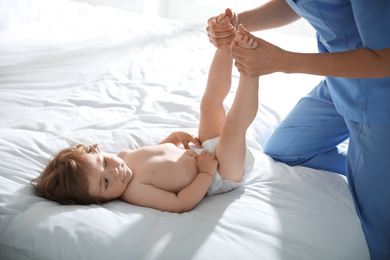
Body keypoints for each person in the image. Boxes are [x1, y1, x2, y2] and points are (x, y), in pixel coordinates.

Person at [206, 2, 390, 259]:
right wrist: (237, 22)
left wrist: (285, 61)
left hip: (380, 95)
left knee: (380, 236)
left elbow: (386, 57)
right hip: (340, 84)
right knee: (284, 149)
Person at [31, 10, 258, 213]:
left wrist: (173, 138)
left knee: (209, 103)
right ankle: (251, 70)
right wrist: (206, 173)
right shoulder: (135, 192)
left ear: (96, 152)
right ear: (99, 200)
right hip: (222, 173)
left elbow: (155, 156)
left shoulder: (123, 157)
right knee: (233, 128)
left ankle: (225, 45)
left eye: (103, 163)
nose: (114, 172)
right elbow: (180, 203)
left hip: (204, 150)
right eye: (106, 183)